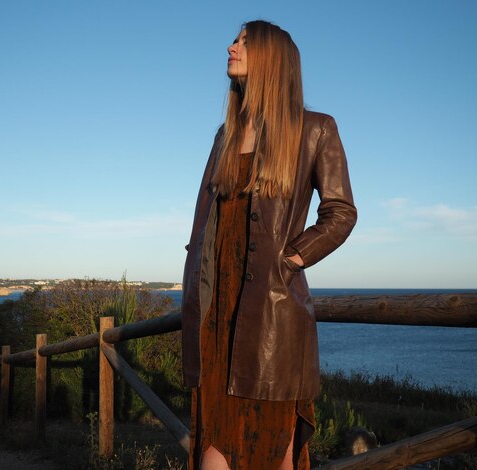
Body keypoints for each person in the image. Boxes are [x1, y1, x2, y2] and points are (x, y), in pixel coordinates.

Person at [181, 20, 357, 470]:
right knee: (213, 451)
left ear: (273, 58)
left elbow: (341, 213)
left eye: (243, 41)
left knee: (274, 453)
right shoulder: (225, 136)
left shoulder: (316, 129)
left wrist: (292, 258)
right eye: (235, 40)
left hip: (273, 324)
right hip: (215, 320)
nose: (231, 46)